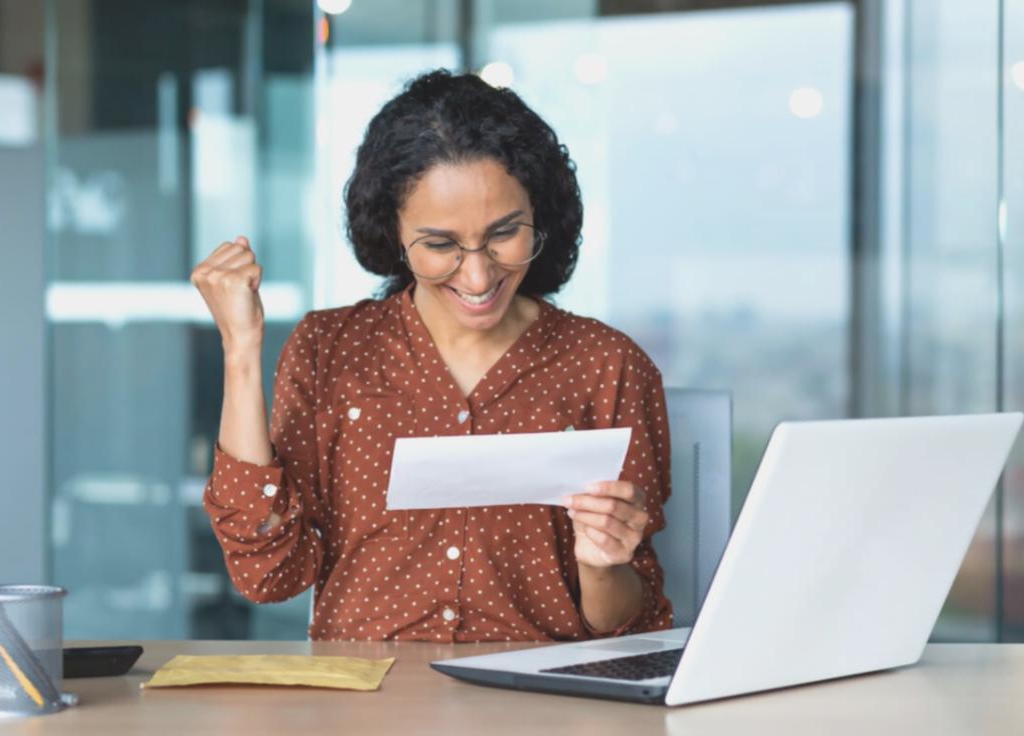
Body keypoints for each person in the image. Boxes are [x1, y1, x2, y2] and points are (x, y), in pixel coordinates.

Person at [193, 69, 673, 642]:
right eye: (441, 244)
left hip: (539, 709)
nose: (477, 274)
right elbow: (268, 574)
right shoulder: (329, 351)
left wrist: (603, 565)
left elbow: (629, 621)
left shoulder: (608, 366)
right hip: (363, 713)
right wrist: (241, 350)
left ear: (540, 214)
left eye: (505, 234)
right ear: (393, 233)